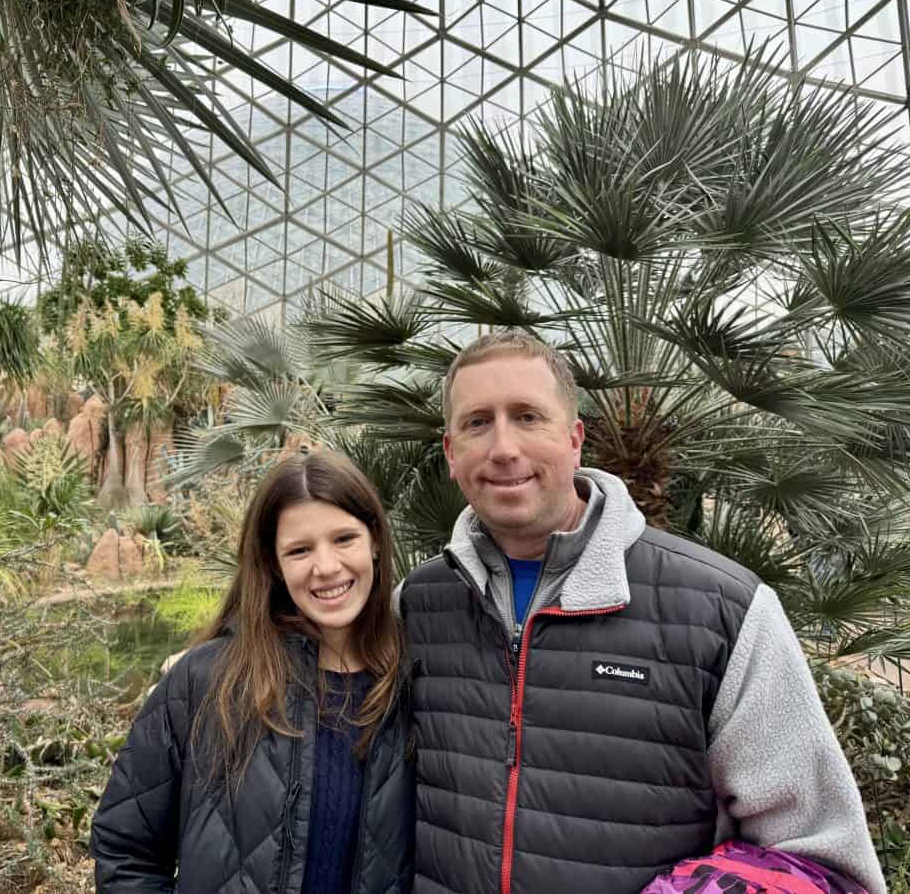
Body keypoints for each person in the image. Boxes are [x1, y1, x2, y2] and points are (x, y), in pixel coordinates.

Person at [397, 329, 884, 894]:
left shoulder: (721, 608)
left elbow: (819, 857)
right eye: (478, 422)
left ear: (575, 438)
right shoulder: (419, 603)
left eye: (528, 416)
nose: (504, 447)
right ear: (451, 453)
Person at [90, 450, 414, 894]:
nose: (326, 567)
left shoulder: (414, 680)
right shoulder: (205, 683)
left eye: (344, 539)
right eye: (299, 550)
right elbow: (125, 848)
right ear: (274, 565)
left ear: (375, 540)